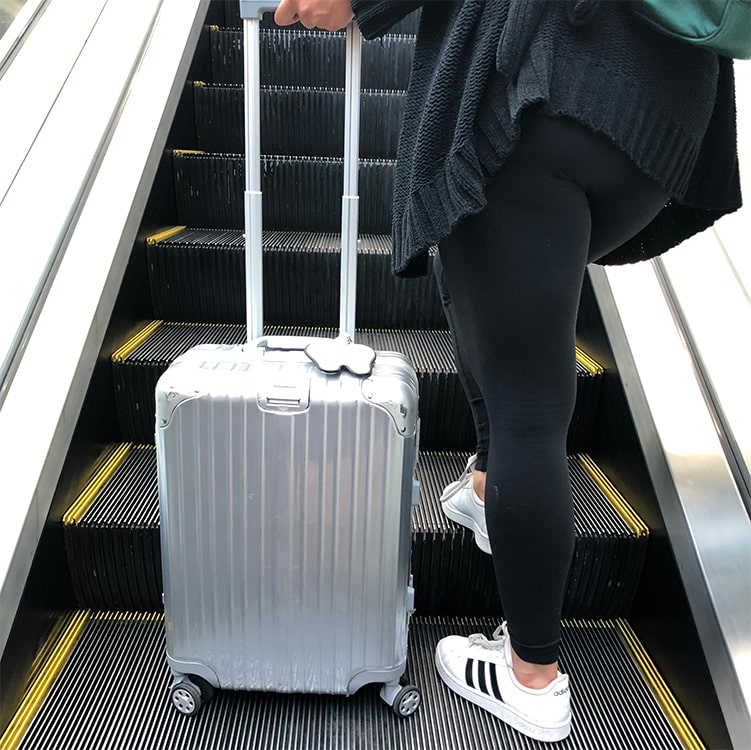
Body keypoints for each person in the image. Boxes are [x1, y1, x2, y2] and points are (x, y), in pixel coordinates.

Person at [275, 0, 742, 743]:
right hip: (663, 111)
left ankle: (533, 677)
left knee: (527, 400)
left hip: (549, 76)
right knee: (487, 268)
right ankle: (490, 487)